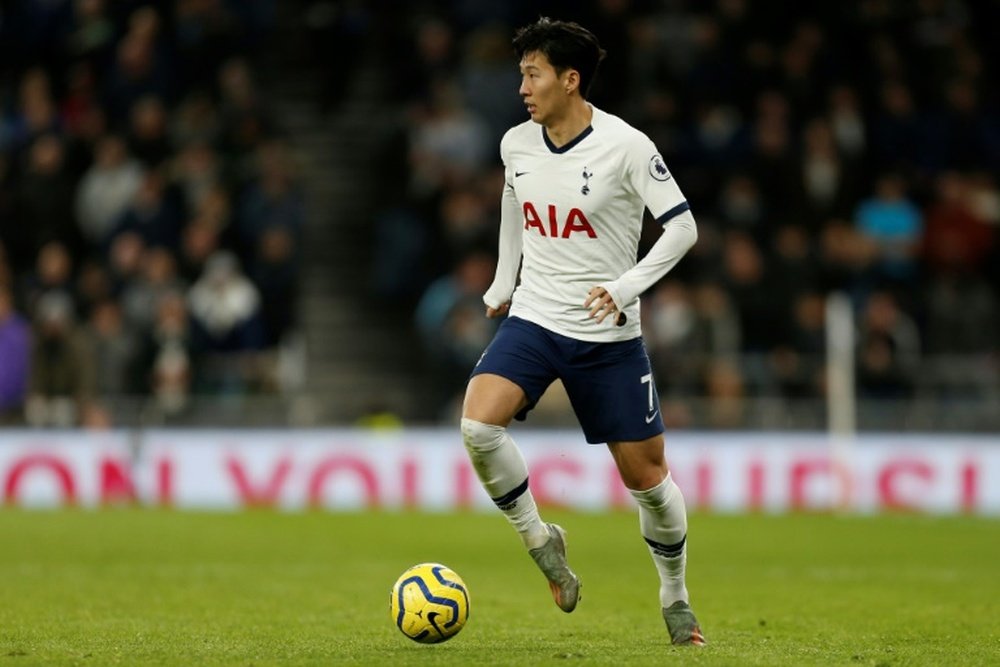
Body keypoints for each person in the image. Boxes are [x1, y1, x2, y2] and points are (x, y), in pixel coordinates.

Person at [460, 18, 705, 646]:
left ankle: (675, 597)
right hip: (537, 317)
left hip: (608, 336)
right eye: (521, 73)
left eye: (533, 73)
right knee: (478, 423)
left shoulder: (626, 146)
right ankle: (542, 542)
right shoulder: (517, 143)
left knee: (648, 483)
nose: (522, 86)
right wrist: (502, 280)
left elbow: (682, 228)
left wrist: (626, 288)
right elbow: (514, 205)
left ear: (570, 80)